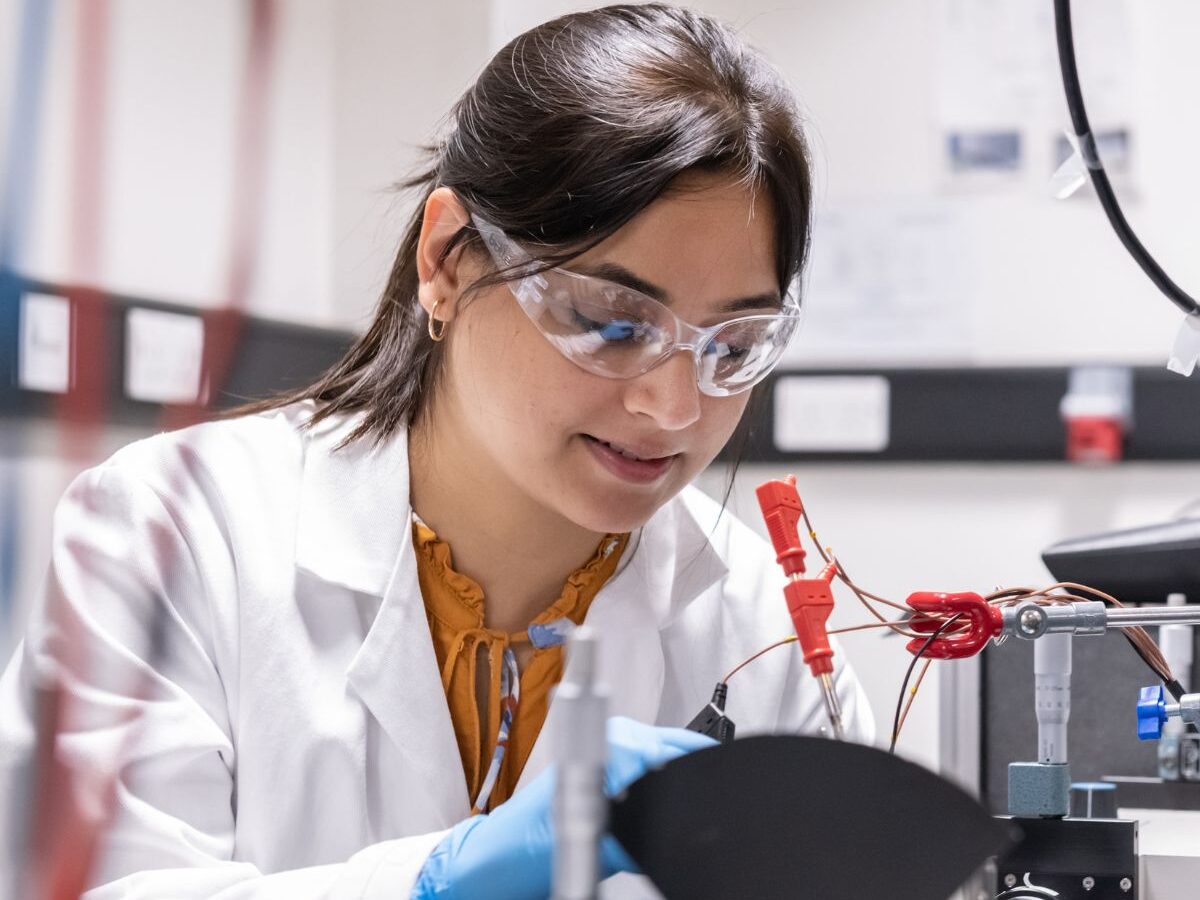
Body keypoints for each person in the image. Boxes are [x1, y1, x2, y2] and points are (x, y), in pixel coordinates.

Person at [0, 4, 873, 898]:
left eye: (731, 347)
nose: (675, 406)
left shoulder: (760, 627)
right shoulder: (174, 535)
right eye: (612, 322)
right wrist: (430, 881)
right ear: (448, 261)